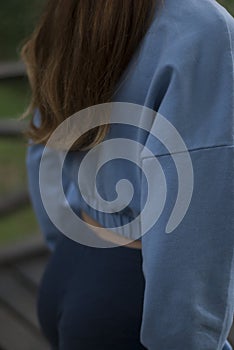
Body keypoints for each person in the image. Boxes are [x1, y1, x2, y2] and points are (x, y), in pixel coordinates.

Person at [21, 0, 234, 349]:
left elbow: (43, 144)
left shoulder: (78, 9)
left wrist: (75, 256)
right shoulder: (205, 28)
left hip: (71, 268)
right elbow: (195, 208)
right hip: (135, 303)